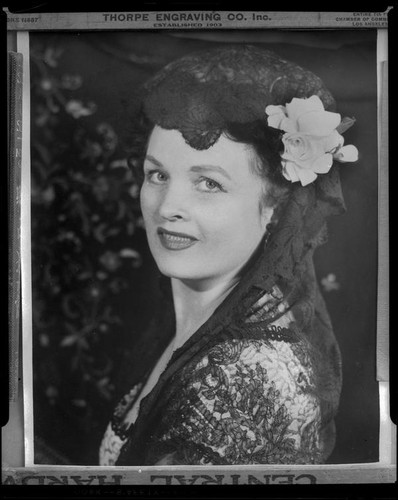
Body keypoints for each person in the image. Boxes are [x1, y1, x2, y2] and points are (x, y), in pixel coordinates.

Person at [99, 45, 358, 466]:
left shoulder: (243, 384)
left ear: (275, 207)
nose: (167, 208)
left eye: (209, 184)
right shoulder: (199, 319)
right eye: (157, 174)